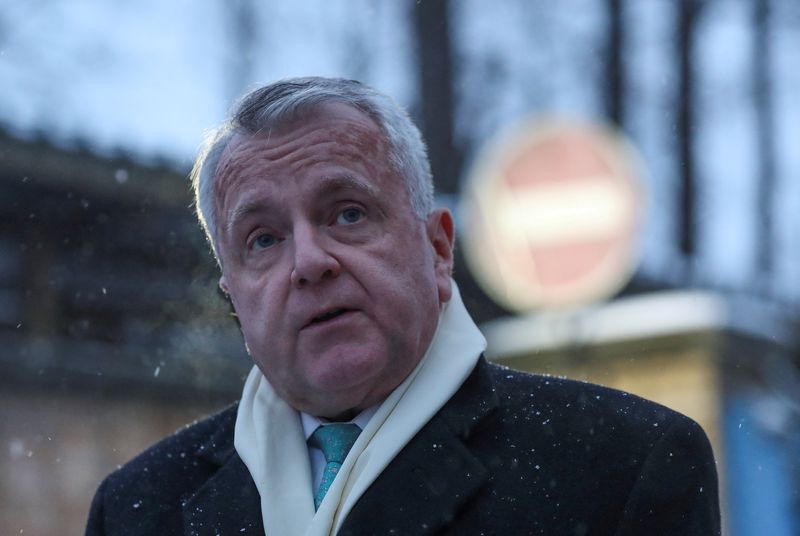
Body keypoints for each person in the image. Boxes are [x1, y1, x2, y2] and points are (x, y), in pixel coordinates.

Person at [85, 77, 720, 536]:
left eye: (348, 213)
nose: (309, 261)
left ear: (438, 248)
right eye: (264, 238)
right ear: (234, 297)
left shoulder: (625, 464)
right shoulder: (139, 508)